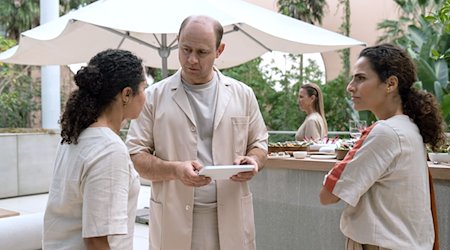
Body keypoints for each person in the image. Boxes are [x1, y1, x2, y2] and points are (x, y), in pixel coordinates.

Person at [125, 15, 268, 250]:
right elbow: (135, 155)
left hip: (231, 215)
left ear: (219, 50)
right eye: (185, 49)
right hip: (174, 219)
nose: (191, 59)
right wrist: (175, 170)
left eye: (201, 52)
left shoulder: (243, 94)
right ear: (177, 42)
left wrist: (252, 160)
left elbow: (260, 144)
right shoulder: (153, 97)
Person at [320, 43, 447, 249]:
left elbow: (328, 195)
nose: (350, 86)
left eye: (360, 78)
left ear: (390, 84)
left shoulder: (384, 132)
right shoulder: (410, 128)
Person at [43, 49, 147, 250]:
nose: (145, 95)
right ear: (126, 94)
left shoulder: (75, 135)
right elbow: (96, 240)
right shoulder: (109, 149)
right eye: (143, 88)